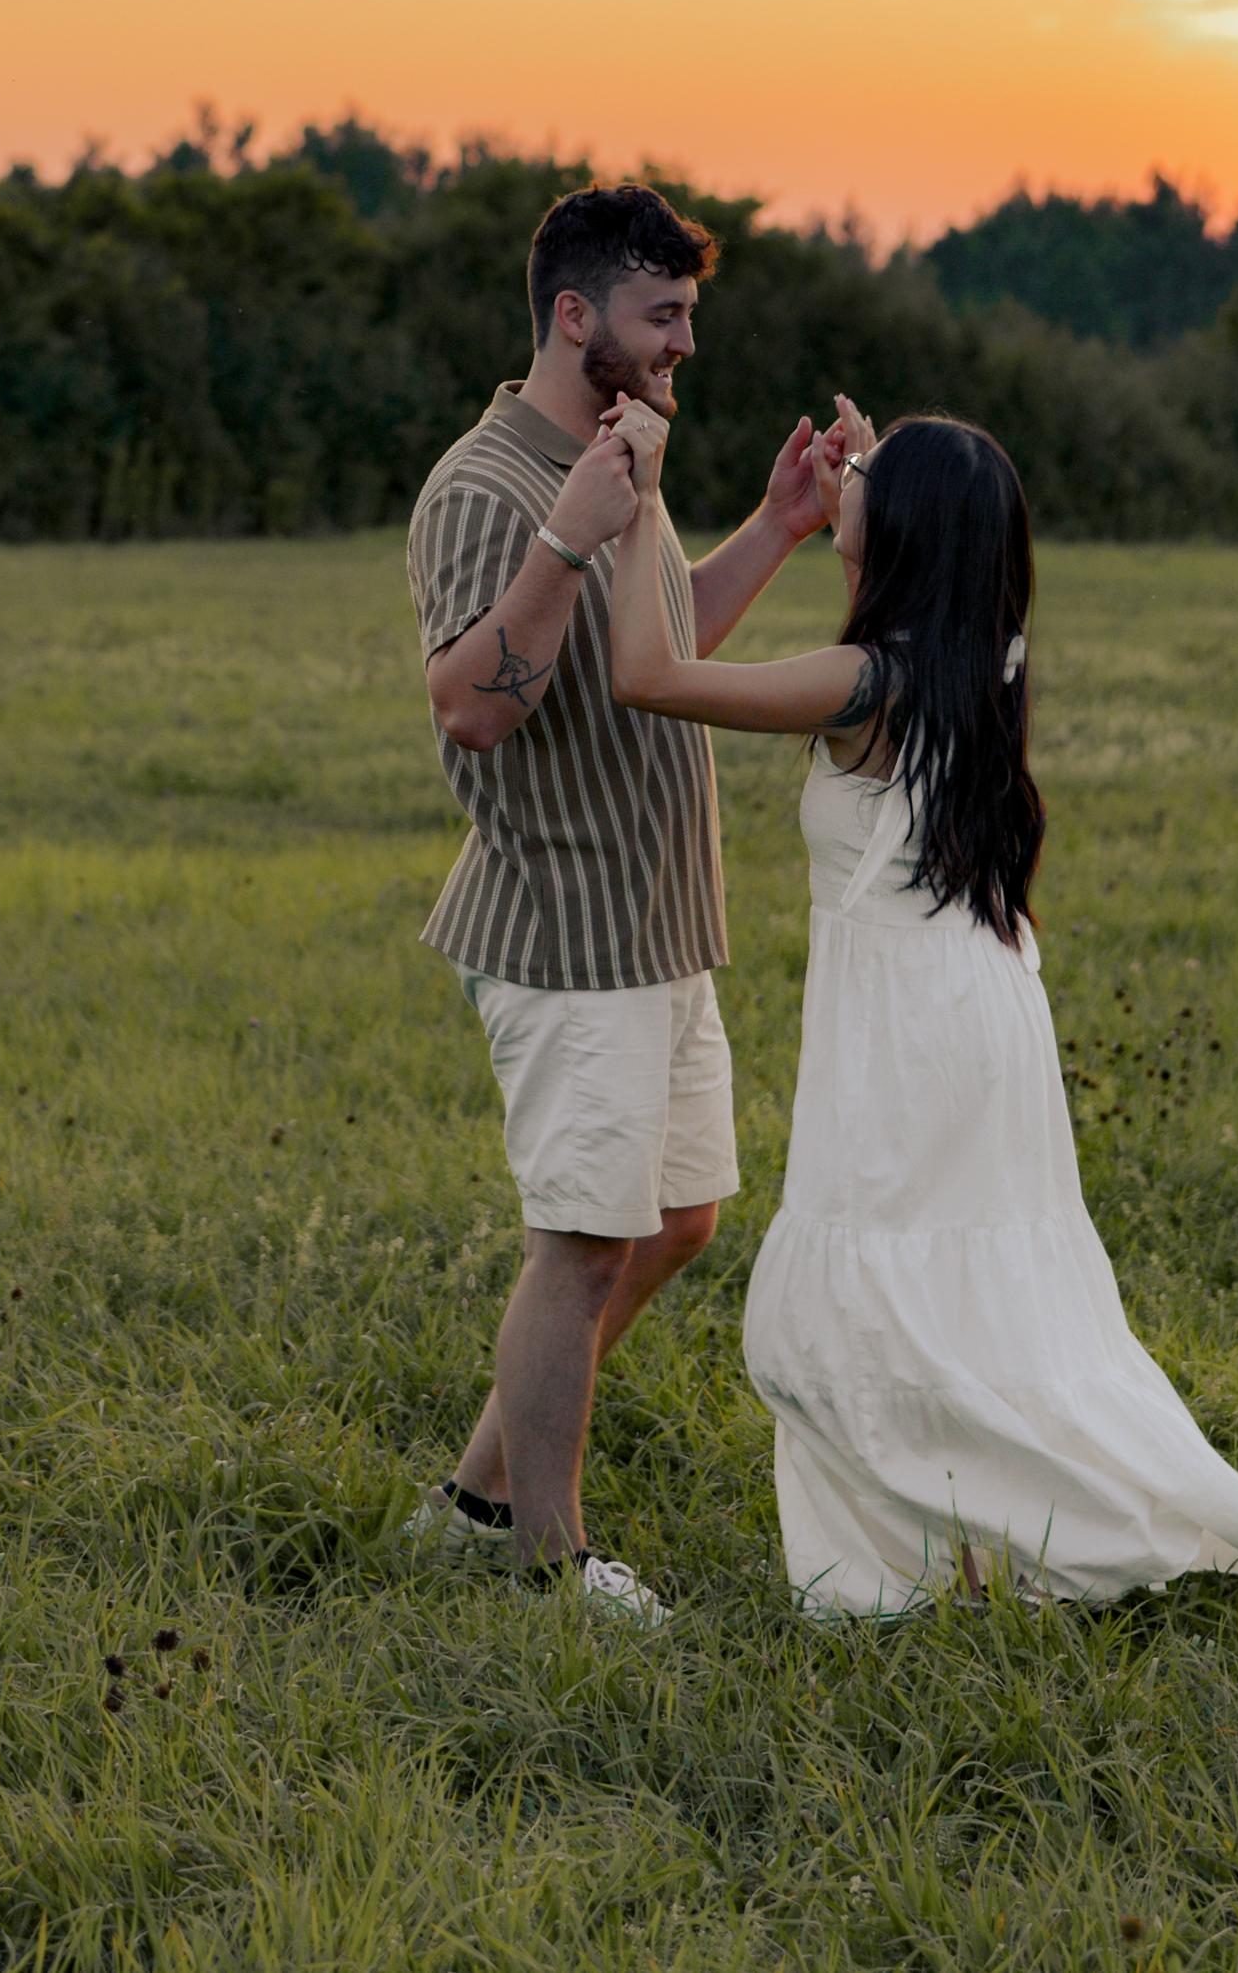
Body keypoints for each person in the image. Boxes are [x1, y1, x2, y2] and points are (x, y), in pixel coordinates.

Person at [603, 397, 1238, 1620]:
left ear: (907, 538)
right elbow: (927, 535)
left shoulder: (864, 681)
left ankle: (944, 1543)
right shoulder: (982, 650)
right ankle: (986, 1530)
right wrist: (870, 487)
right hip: (977, 996)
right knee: (976, 1283)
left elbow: (643, 676)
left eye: (874, 482)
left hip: (910, 1021)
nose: (853, 485)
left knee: (868, 1291)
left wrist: (640, 503)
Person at [399, 182, 837, 1623]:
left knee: (681, 1217)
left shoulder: (623, 448)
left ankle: (476, 1502)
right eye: (665, 314)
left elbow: (659, 650)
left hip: (660, 925)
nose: (685, 343)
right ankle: (545, 1564)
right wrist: (571, 535)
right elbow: (471, 710)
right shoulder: (486, 487)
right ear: (575, 315)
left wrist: (772, 525)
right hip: (568, 929)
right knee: (580, 1246)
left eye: (690, 312)